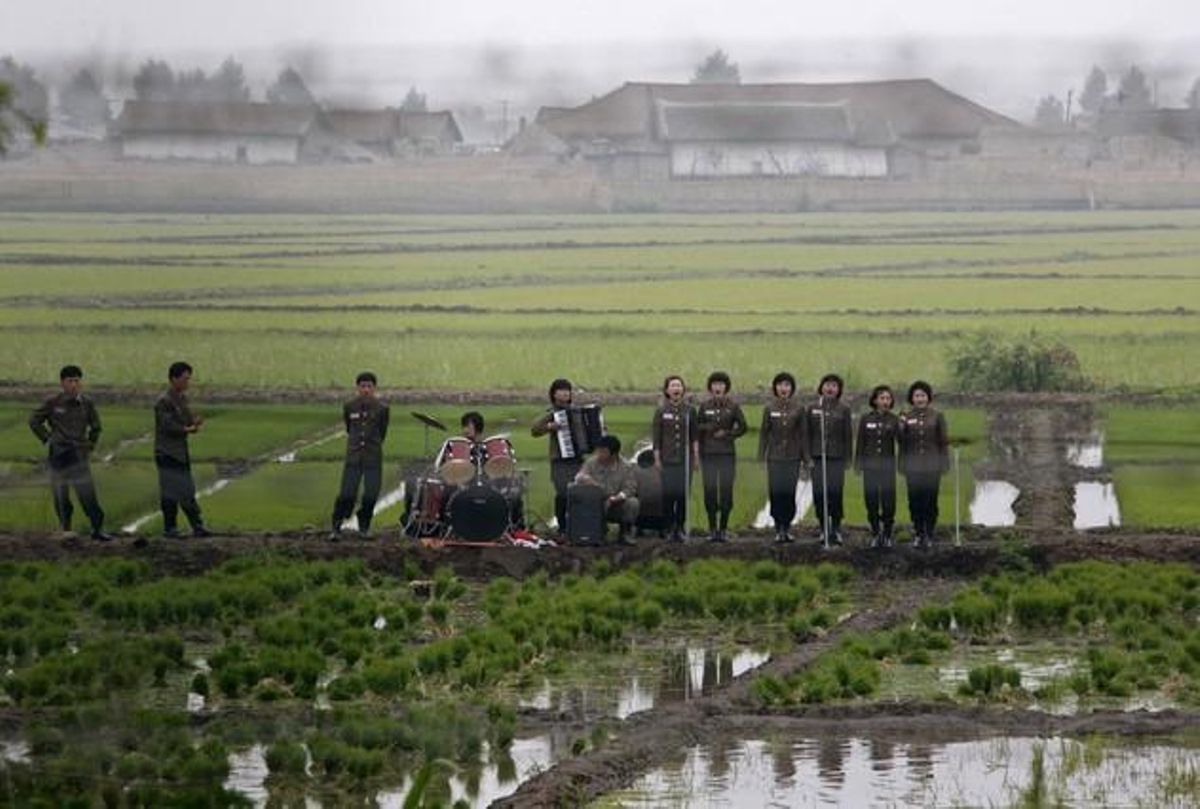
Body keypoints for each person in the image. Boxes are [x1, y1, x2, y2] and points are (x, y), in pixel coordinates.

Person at [28, 365, 113, 541]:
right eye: (70, 381)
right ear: (62, 383)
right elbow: (34, 420)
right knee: (61, 494)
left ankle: (97, 528)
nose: (74, 384)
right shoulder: (54, 402)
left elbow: (96, 427)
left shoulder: (86, 403)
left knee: (87, 494)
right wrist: (47, 438)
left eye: (77, 380)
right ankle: (65, 528)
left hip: (78, 454)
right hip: (58, 454)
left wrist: (90, 445)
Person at [329, 372, 390, 541]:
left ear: (374, 388)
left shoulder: (382, 409)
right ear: (357, 388)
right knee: (347, 494)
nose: (366, 390)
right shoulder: (350, 406)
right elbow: (350, 429)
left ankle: (364, 527)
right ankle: (336, 526)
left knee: (371, 494)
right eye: (362, 386)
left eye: (369, 386)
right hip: (354, 457)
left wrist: (372, 446)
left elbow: (382, 432)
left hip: (373, 457)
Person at [154, 361, 211, 539]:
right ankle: (171, 528)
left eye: (189, 379)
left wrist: (194, 423)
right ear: (174, 379)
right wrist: (188, 429)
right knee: (170, 491)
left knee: (187, 489)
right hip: (167, 453)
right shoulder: (164, 401)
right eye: (185, 378)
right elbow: (167, 425)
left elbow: (186, 422)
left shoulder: (182, 399)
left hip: (180, 452)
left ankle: (197, 526)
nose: (188, 382)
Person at [695, 371, 747, 542]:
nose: (718, 387)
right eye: (715, 384)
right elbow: (697, 427)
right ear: (710, 387)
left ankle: (723, 529)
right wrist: (707, 428)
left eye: (721, 384)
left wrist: (728, 433)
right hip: (708, 455)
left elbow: (743, 427)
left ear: (726, 388)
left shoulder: (733, 406)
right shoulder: (704, 406)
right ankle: (712, 529)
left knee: (726, 492)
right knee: (709, 491)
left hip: (726, 454)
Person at [898, 380, 950, 548]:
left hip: (932, 466)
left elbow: (943, 442)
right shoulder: (906, 416)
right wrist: (900, 426)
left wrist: (944, 463)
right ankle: (918, 532)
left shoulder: (937, 416)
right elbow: (901, 443)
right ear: (911, 399)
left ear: (928, 398)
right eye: (916, 396)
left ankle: (929, 532)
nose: (920, 399)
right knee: (915, 500)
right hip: (912, 466)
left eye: (922, 395)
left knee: (930, 500)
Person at [804, 373, 853, 546]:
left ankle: (836, 528)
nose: (830, 388)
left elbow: (848, 436)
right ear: (821, 387)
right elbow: (806, 435)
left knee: (835, 493)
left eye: (834, 385)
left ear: (838, 390)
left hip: (836, 458)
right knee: (819, 494)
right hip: (817, 458)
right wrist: (807, 457)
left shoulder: (843, 409)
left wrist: (848, 459)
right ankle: (823, 528)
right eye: (827, 385)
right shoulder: (812, 408)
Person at [757, 371, 805, 544]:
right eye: (780, 385)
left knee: (789, 492)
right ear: (775, 388)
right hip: (775, 458)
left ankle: (787, 527)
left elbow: (803, 435)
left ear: (792, 389)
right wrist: (761, 456)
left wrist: (806, 458)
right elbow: (764, 434)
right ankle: (778, 528)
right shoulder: (769, 408)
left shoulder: (799, 409)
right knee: (776, 492)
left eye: (787, 385)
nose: (783, 388)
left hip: (792, 458)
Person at [531, 378, 580, 535]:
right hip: (559, 459)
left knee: (579, 491)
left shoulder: (578, 411)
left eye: (568, 390)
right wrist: (549, 426)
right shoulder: (552, 413)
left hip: (578, 458)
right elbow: (535, 429)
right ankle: (562, 526)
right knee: (562, 492)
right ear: (554, 394)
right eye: (561, 390)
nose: (566, 393)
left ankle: (578, 523)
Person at [651, 375, 697, 542]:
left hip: (685, 461)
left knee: (683, 495)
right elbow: (656, 438)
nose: (676, 388)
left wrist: (696, 457)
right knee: (668, 495)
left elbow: (694, 437)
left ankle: (680, 527)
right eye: (673, 386)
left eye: (679, 385)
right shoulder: (661, 411)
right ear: (667, 390)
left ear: (683, 390)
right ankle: (668, 527)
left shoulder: (690, 410)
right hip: (667, 459)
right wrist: (657, 459)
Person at [855, 384, 900, 548]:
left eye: (888, 398)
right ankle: (875, 532)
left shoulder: (894, 420)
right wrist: (858, 464)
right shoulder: (866, 419)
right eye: (882, 398)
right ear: (875, 400)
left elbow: (902, 441)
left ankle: (887, 534)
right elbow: (860, 443)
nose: (885, 401)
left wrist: (904, 426)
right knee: (871, 502)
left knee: (889, 503)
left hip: (887, 468)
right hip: (870, 467)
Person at [573, 435, 639, 544]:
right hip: (594, 503)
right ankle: (594, 532)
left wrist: (617, 498)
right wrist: (586, 480)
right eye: (599, 451)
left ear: (613, 454)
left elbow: (630, 488)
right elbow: (579, 477)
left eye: (603, 452)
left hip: (615, 504)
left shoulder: (626, 467)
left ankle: (625, 532)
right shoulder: (591, 463)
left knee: (633, 503)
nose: (600, 454)